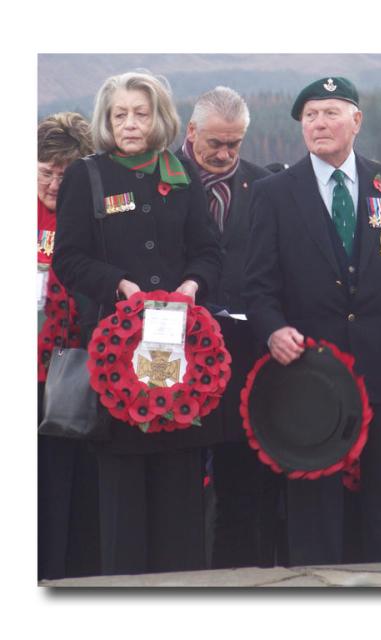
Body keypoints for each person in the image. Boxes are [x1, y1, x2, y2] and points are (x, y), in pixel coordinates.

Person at [52, 70, 221, 576]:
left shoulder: (180, 173)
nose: (130, 123)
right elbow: (69, 258)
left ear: (159, 117)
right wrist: (121, 284)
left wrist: (192, 287)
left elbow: (210, 251)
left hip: (180, 358)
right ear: (106, 119)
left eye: (141, 113)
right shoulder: (88, 175)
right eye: (120, 114)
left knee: (179, 498)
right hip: (115, 356)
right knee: (122, 504)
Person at [244, 77, 381, 565]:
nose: (319, 123)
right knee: (315, 510)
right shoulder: (274, 193)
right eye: (310, 115)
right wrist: (272, 328)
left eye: (331, 112)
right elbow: (257, 285)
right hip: (310, 376)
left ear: (356, 121)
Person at [179, 86, 276, 568]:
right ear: (190, 130)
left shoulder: (263, 188)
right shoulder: (160, 180)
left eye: (234, 144)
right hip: (173, 359)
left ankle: (235, 578)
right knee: (178, 484)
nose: (223, 154)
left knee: (241, 486)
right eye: (214, 142)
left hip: (242, 362)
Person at [37, 112, 100, 580]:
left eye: (66, 173)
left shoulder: (90, 218)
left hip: (80, 378)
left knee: (72, 492)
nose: (56, 183)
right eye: (46, 172)